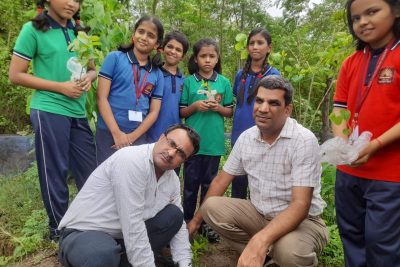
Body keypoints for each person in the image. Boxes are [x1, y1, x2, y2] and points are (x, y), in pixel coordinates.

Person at [187, 75, 328, 267]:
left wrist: (259, 240)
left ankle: (269, 249)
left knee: (291, 254)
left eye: (273, 103)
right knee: (211, 208)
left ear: (287, 110)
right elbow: (221, 181)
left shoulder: (303, 140)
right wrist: (195, 222)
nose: (263, 109)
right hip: (260, 214)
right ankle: (267, 255)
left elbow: (301, 205)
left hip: (303, 221)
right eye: (259, 101)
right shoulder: (247, 138)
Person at [8, 0, 97, 241]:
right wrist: (60, 87)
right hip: (49, 109)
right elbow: (15, 75)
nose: (71, 3)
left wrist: (89, 78)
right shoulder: (33, 29)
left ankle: (91, 223)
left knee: (91, 172)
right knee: (54, 171)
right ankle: (58, 229)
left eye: (77, 0)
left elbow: (92, 68)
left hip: (77, 111)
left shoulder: (80, 33)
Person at [58, 124, 200, 267]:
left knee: (174, 215)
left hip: (122, 238)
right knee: (101, 256)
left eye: (180, 153)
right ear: (162, 137)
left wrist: (185, 263)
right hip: (85, 233)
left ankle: (122, 260)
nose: (171, 153)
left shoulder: (172, 180)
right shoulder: (132, 160)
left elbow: (179, 227)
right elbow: (133, 222)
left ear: (184, 161)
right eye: (171, 143)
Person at [332, 0, 400, 266]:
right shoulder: (351, 62)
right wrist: (341, 141)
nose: (363, 22)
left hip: (389, 175)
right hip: (349, 171)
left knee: (383, 246)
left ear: (395, 11)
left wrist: (376, 145)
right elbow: (339, 108)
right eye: (356, 18)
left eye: (372, 12)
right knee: (352, 238)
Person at [179, 38, 234, 241]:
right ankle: (185, 222)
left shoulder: (224, 82)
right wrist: (195, 107)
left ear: (217, 58)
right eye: (203, 56)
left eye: (212, 56)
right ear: (196, 58)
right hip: (191, 145)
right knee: (190, 186)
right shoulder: (188, 81)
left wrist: (218, 108)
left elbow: (229, 111)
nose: (207, 60)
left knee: (210, 187)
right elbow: (182, 110)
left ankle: (205, 224)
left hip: (214, 144)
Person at [96, 15, 164, 164]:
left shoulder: (157, 74)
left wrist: (131, 137)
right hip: (108, 133)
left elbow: (154, 112)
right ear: (134, 35)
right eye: (141, 32)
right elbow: (101, 97)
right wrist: (117, 134)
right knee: (105, 180)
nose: (144, 37)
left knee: (131, 182)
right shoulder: (114, 58)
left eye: (151, 35)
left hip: (138, 137)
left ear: (156, 44)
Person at [231, 27, 280, 199]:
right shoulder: (240, 75)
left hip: (262, 136)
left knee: (260, 184)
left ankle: (258, 223)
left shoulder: (273, 75)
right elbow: (239, 101)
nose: (255, 47)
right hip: (239, 135)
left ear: (269, 48)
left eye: (260, 43)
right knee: (238, 182)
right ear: (247, 48)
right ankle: (236, 221)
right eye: (251, 43)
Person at [148, 31, 189, 143]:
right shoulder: (152, 75)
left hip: (175, 138)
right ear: (162, 48)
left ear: (183, 56)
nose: (173, 51)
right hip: (150, 136)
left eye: (178, 50)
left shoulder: (185, 81)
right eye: (170, 47)